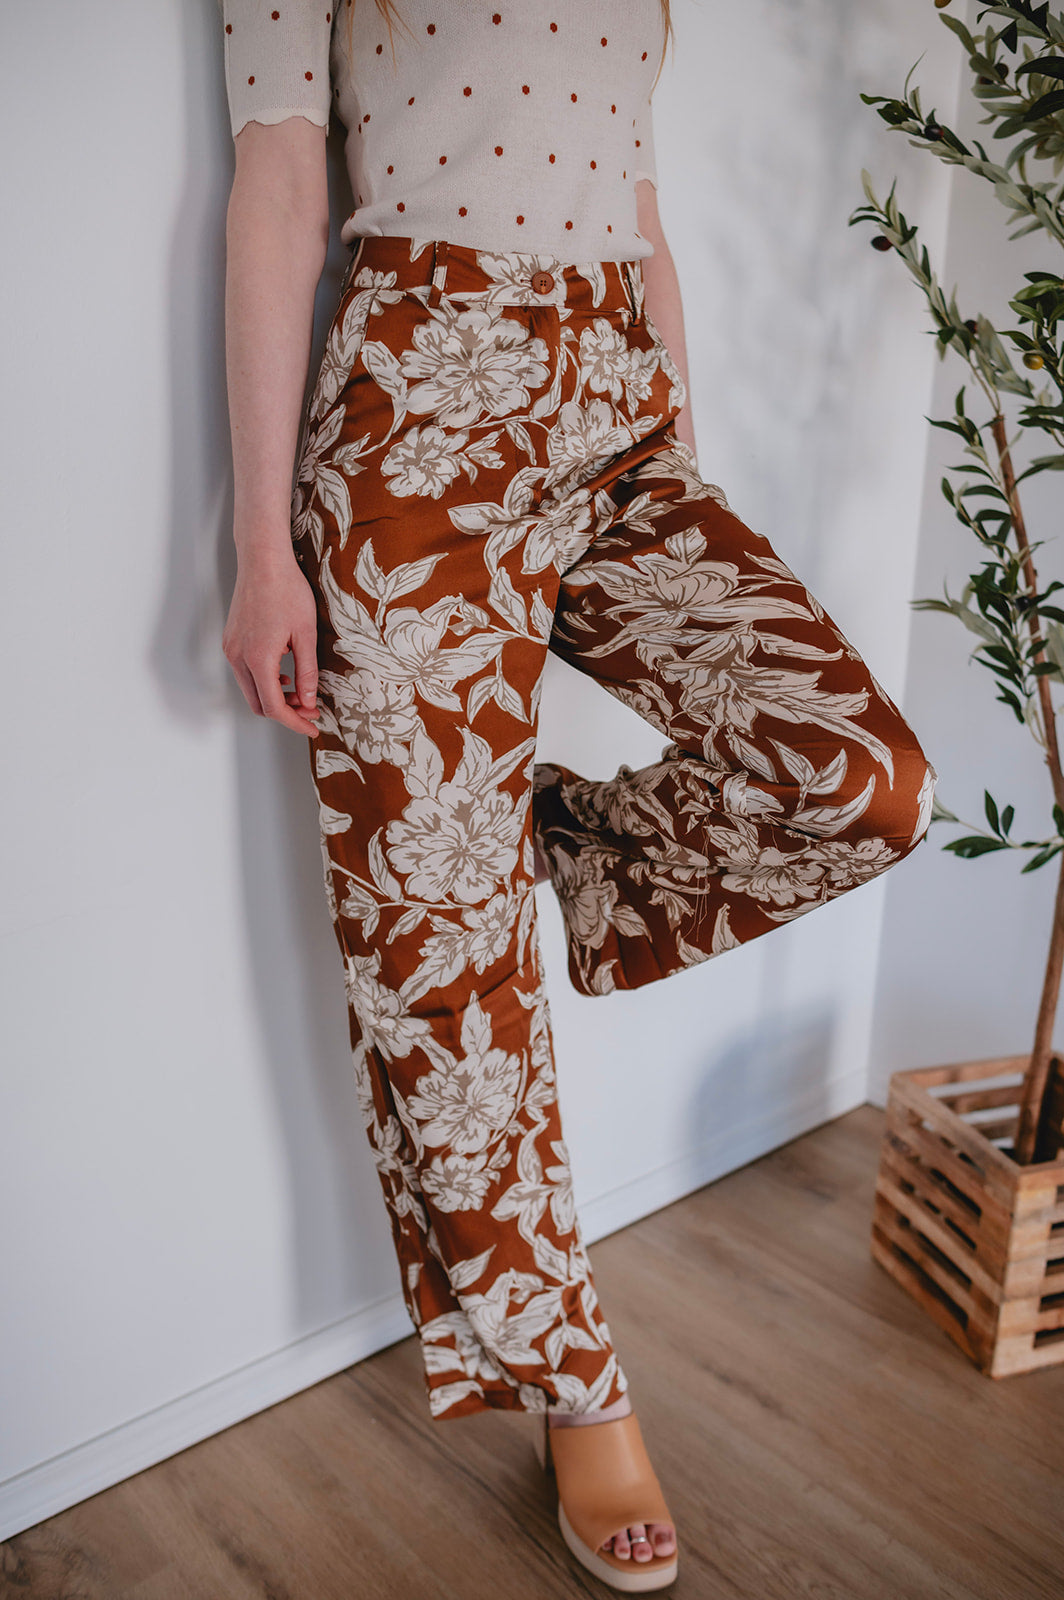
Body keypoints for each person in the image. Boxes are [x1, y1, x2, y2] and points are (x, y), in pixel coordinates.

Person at [218, 0, 938, 1589]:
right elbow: (277, 187)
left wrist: (685, 461)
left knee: (864, 781)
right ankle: (580, 1385)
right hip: (415, 415)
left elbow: (642, 208)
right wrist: (264, 547)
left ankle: (537, 841)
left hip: (620, 412)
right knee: (440, 972)